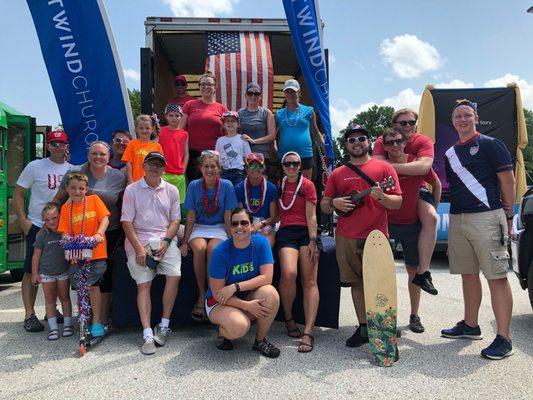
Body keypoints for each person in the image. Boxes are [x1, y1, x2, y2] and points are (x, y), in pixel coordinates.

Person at [441, 99, 515, 360]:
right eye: (458, 115)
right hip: (458, 218)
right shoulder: (450, 153)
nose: (463, 119)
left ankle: (504, 338)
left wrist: (508, 215)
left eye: (467, 115)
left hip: (486, 216)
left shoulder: (490, 144)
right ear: (453, 121)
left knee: (496, 277)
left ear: (476, 118)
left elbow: (508, 180)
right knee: (468, 274)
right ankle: (470, 325)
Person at [320, 123, 402, 349]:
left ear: (369, 142)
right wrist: (335, 202)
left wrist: (382, 198)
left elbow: (398, 202)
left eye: (361, 139)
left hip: (376, 235)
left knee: (380, 283)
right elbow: (325, 205)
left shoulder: (384, 169)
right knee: (356, 283)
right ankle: (364, 326)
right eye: (352, 140)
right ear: (346, 145)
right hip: (346, 236)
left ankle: (384, 326)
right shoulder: (338, 173)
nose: (357, 143)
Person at [54, 141, 126, 328]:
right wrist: (49, 221)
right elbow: (59, 199)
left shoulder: (118, 176)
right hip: (79, 235)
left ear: (109, 157)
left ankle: (101, 319)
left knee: (104, 275)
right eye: (95, 153)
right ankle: (87, 314)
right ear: (88, 155)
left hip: (108, 233)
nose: (98, 157)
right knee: (83, 276)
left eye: (102, 154)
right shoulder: (76, 173)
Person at [121, 151, 182, 355]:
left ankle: (163, 326)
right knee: (144, 285)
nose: (155, 167)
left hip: (164, 240)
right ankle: (147, 333)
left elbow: (175, 220)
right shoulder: (132, 190)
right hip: (139, 240)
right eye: (151, 164)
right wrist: (138, 248)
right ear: (143, 166)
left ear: (164, 168)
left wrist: (166, 241)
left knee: (174, 275)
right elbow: (126, 221)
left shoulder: (172, 190)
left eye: (159, 164)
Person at [382, 128, 441, 333]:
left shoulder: (417, 161)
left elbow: (436, 182)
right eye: (389, 143)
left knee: (413, 272)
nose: (395, 145)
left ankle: (414, 315)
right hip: (386, 224)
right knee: (382, 273)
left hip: (412, 224)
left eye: (398, 141)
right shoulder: (381, 167)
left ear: (404, 142)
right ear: (384, 145)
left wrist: (433, 204)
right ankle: (385, 317)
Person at [373, 108, 438, 295]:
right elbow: (376, 168)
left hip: (418, 189)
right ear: (395, 125)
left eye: (411, 122)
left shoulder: (423, 141)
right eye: (403, 123)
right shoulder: (381, 140)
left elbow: (425, 168)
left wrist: (391, 168)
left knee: (432, 218)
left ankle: (423, 272)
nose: (408, 126)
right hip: (390, 191)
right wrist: (411, 167)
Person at [14, 129, 72, 332]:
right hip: (38, 225)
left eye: (62, 144)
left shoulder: (72, 169)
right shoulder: (35, 166)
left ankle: (51, 309)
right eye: (54, 144)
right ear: (47, 146)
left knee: (56, 270)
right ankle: (29, 314)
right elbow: (19, 193)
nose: (58, 148)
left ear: (67, 146)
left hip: (61, 228)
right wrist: (23, 220)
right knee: (32, 270)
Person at [205, 208, 280, 358]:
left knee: (270, 293)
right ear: (230, 228)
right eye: (234, 224)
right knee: (239, 327)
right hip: (219, 302)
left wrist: (235, 287)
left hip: (243, 295)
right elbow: (218, 294)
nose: (239, 227)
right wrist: (247, 306)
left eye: (244, 223)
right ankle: (223, 329)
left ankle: (260, 341)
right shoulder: (220, 252)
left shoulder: (261, 243)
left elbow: (267, 278)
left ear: (252, 226)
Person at [180, 150, 237, 321]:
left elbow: (228, 216)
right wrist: (184, 242)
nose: (210, 170)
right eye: (206, 166)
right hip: (199, 227)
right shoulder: (194, 185)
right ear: (200, 168)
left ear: (219, 169)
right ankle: (201, 293)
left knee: (214, 249)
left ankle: (211, 295)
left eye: (213, 166)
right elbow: (190, 216)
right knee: (199, 248)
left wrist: (232, 240)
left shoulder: (227, 185)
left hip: (219, 227)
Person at [276, 151, 320, 353]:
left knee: (309, 280)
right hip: (286, 233)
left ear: (301, 166)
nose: (292, 167)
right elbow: (275, 213)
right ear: (283, 166)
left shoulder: (308, 185)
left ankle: (308, 331)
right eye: (288, 164)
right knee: (289, 273)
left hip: (305, 233)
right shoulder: (280, 184)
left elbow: (311, 216)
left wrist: (313, 240)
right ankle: (289, 318)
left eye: (295, 164)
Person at [57, 172, 110, 338]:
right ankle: (84, 319)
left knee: (93, 286)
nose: (77, 191)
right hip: (77, 254)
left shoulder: (94, 200)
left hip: (96, 252)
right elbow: (64, 232)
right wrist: (66, 240)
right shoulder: (66, 208)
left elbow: (105, 219)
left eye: (81, 188)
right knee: (81, 288)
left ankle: (97, 322)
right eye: (73, 188)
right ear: (66, 189)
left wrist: (99, 234)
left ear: (86, 189)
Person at [30, 202, 73, 340]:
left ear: (60, 216)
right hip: (47, 273)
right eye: (47, 220)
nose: (51, 222)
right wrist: (35, 274)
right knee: (50, 301)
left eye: (54, 218)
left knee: (65, 298)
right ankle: (53, 328)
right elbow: (36, 255)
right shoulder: (41, 234)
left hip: (63, 272)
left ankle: (67, 325)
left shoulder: (65, 231)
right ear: (43, 221)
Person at [180, 72, 228, 182]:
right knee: (194, 184)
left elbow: (228, 134)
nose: (206, 87)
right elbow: (180, 130)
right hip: (193, 154)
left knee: (213, 185)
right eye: (203, 84)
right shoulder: (189, 105)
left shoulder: (222, 109)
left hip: (215, 154)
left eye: (210, 84)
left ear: (214, 88)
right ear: (199, 87)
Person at [275, 79, 325, 179]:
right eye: (287, 91)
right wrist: (275, 150)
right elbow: (273, 135)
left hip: (305, 154)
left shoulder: (309, 110)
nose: (290, 94)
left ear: (299, 93)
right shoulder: (278, 114)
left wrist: (325, 147)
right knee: (289, 187)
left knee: (305, 186)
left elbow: (315, 132)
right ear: (284, 94)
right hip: (286, 155)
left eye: (293, 91)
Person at [235, 153, 278, 247]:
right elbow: (241, 214)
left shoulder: (271, 188)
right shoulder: (239, 188)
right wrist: (249, 226)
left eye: (259, 165)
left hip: (265, 224)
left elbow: (274, 217)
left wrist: (260, 224)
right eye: (251, 165)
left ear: (263, 168)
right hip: (246, 224)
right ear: (246, 169)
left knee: (265, 244)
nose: (255, 168)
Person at [238, 83, 276, 174]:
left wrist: (254, 141)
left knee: (262, 184)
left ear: (260, 96)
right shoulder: (240, 113)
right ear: (245, 96)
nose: (253, 96)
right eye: (250, 93)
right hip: (244, 156)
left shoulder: (266, 113)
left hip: (262, 155)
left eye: (256, 94)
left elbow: (272, 135)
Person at [159, 103, 189, 204]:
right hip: (163, 172)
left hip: (178, 173)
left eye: (177, 115)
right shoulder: (161, 131)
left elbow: (186, 154)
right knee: (163, 201)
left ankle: (179, 220)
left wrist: (183, 169)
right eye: (171, 115)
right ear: (166, 116)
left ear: (181, 117)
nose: (174, 118)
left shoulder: (184, 134)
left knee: (179, 202)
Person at [122, 114, 164, 184]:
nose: (144, 130)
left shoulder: (157, 146)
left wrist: (159, 181)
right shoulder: (132, 144)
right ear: (136, 129)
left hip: (152, 183)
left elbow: (160, 165)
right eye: (141, 128)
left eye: (147, 128)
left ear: (152, 129)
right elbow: (129, 164)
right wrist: (130, 180)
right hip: (135, 182)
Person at [215, 111, 252, 186]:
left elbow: (248, 158)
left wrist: (248, 172)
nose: (230, 123)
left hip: (238, 172)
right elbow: (217, 158)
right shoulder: (220, 140)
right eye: (227, 121)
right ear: (223, 124)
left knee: (237, 193)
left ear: (238, 124)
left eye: (233, 121)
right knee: (225, 192)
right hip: (224, 171)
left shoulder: (242, 139)